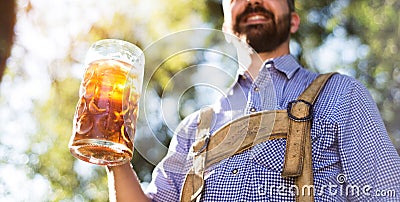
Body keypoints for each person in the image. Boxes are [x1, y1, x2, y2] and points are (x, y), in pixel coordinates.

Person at [105, 0, 400, 201]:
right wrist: (113, 157)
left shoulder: (340, 93)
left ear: (294, 21)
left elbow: (387, 193)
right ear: (225, 27)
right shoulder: (193, 128)